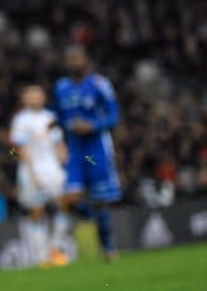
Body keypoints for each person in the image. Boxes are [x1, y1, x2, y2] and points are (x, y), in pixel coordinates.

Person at [53, 47, 122, 263]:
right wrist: (57, 139)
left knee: (101, 200)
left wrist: (92, 125)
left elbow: (114, 116)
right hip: (75, 151)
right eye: (70, 59)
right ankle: (93, 221)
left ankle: (107, 246)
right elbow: (58, 117)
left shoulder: (100, 84)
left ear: (86, 60)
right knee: (70, 199)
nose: (75, 62)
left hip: (95, 149)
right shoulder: (61, 87)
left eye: (78, 58)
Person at [8, 86, 68, 267]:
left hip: (53, 168)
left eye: (38, 94)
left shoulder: (50, 117)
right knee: (37, 211)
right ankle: (42, 257)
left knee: (64, 205)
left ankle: (55, 248)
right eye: (31, 94)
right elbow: (17, 149)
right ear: (25, 99)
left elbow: (58, 142)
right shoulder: (21, 120)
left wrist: (64, 158)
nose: (36, 97)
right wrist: (32, 173)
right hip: (31, 170)